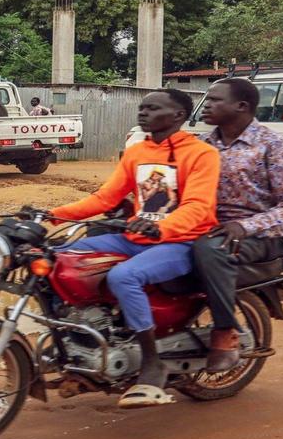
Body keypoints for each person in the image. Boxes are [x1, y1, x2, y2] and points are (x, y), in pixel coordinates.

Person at [48, 89, 219, 408]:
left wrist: (160, 226)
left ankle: (151, 361)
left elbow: (198, 206)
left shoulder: (201, 154)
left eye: (153, 108)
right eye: (142, 108)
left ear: (178, 115)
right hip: (135, 237)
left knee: (124, 277)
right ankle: (80, 339)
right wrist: (55, 214)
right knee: (60, 258)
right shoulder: (137, 152)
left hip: (181, 242)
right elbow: (105, 198)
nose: (143, 113)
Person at [193, 78, 283, 372]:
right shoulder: (201, 145)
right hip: (207, 226)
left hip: (263, 237)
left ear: (241, 106)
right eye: (206, 99)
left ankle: (225, 332)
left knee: (210, 250)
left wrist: (245, 226)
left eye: (215, 100)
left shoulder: (275, 147)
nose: (206, 105)